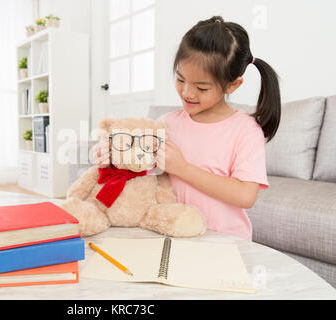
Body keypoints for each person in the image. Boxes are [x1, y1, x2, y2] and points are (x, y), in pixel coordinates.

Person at [93, 16, 281, 241]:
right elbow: (140, 170)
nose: (187, 93)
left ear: (233, 84)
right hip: (171, 235)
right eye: (181, 80)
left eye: (201, 88)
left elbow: (245, 195)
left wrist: (183, 168)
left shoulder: (245, 130)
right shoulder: (167, 123)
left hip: (224, 241)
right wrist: (113, 158)